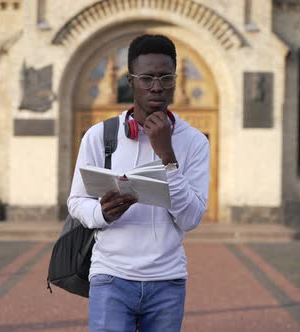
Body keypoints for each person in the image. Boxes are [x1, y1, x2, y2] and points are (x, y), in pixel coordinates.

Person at [68, 34, 210, 332]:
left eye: (165, 77)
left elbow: (190, 219)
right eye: (146, 77)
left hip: (167, 282)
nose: (157, 86)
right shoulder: (99, 136)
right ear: (130, 81)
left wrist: (167, 157)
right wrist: (102, 214)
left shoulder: (195, 141)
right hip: (110, 277)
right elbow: (76, 201)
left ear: (175, 80)